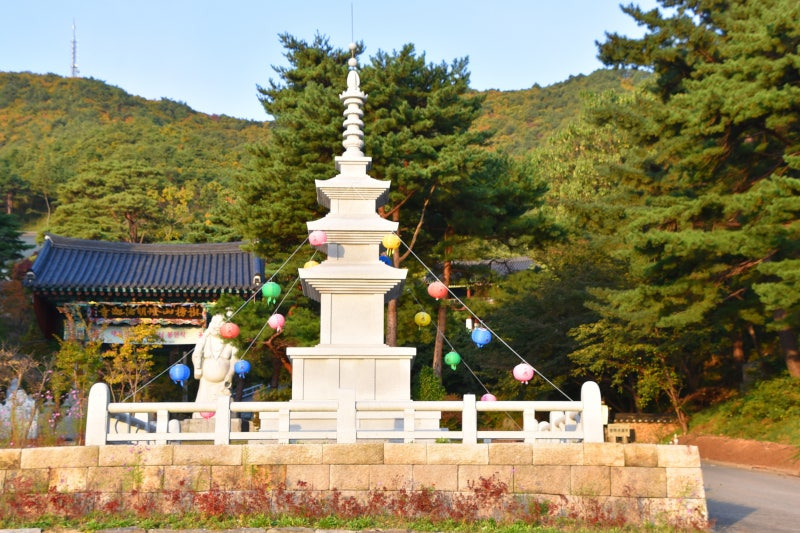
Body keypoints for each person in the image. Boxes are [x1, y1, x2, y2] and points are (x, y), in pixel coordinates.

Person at [191, 314, 239, 417]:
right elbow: (196, 353)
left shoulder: (231, 341)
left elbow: (235, 358)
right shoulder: (205, 339)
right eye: (215, 323)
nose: (217, 326)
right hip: (206, 381)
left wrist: (230, 374)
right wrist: (197, 368)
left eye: (220, 323)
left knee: (225, 409)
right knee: (202, 404)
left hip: (223, 382)